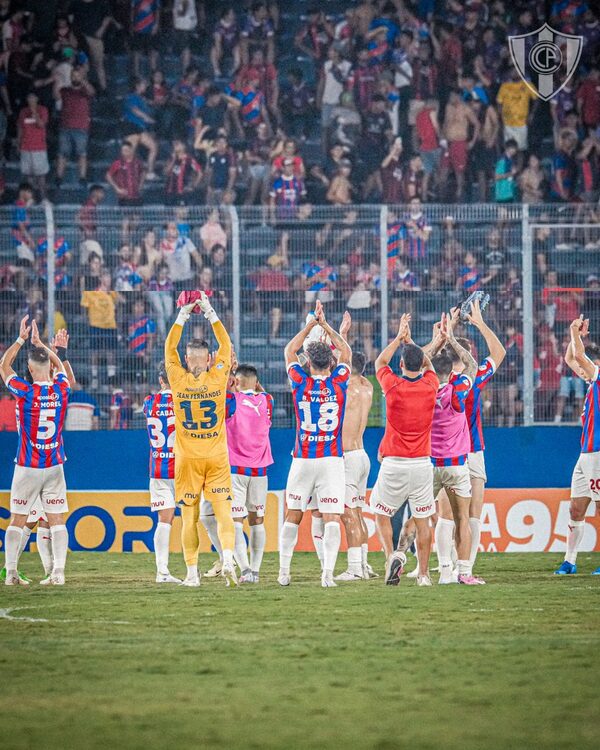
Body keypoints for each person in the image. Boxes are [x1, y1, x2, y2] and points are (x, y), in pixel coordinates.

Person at [164, 291, 237, 587]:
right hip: (216, 456)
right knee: (223, 513)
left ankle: (192, 574)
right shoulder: (218, 376)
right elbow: (227, 345)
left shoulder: (176, 377)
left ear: (185, 358)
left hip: (187, 459)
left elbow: (169, 346)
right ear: (209, 359)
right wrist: (209, 311)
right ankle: (229, 557)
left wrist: (183, 314)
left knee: (189, 518)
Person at [279, 300, 351, 588]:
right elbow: (345, 351)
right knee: (332, 517)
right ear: (331, 363)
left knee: (293, 515)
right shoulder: (340, 381)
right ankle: (328, 576)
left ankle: (284, 572)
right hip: (332, 460)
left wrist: (311, 325)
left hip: (303, 459)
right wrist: (326, 326)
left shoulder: (299, 381)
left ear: (307, 362)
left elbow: (288, 351)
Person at [437, 300, 506, 579]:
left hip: (445, 451)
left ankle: (443, 569)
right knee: (472, 516)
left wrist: (449, 328)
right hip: (473, 451)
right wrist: (478, 322)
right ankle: (464, 569)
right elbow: (499, 352)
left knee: (444, 516)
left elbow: (426, 356)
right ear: (468, 354)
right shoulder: (474, 376)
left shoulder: (436, 379)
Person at [0, 317, 70, 586]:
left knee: (17, 520)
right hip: (54, 465)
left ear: (29, 367)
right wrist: (43, 346)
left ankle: (12, 572)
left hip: (28, 466)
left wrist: (21, 340)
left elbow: (4, 366)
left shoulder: (24, 391)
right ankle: (59, 573)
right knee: (57, 521)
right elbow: (61, 366)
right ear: (49, 367)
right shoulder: (62, 390)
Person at [371, 313, 438, 587]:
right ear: (421, 365)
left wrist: (399, 337)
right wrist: (416, 348)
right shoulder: (431, 385)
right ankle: (424, 575)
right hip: (422, 464)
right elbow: (430, 366)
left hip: (394, 463)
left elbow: (379, 362)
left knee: (381, 513)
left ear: (401, 364)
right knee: (423, 522)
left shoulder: (392, 385)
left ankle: (391, 557)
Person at [428, 310, 482, 585]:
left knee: (422, 516)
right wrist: (451, 339)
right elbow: (472, 364)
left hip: (430, 464)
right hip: (457, 464)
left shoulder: (422, 389)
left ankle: (431, 571)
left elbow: (418, 362)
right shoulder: (457, 389)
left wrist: (437, 340)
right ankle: (464, 572)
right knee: (463, 517)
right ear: (450, 372)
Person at [555, 317, 600, 576]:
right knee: (576, 508)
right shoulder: (593, 382)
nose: (581, 373)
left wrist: (574, 332)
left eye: (588, 368)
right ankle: (570, 561)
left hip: (597, 452)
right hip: (586, 454)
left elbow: (579, 358)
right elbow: (571, 359)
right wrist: (575, 338)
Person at [334, 312, 375, 581]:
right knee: (358, 513)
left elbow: (342, 360)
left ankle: (354, 569)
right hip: (362, 456)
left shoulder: (346, 387)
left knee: (348, 515)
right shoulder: (368, 386)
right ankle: (363, 564)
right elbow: (346, 360)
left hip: (348, 457)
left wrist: (342, 334)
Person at [225, 363, 274, 583]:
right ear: (255, 382)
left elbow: (221, 388)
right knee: (257, 520)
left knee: (236, 521)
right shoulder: (267, 401)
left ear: (236, 382)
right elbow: (260, 391)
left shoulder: (230, 401)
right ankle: (255, 570)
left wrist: (228, 373)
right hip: (260, 471)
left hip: (236, 469)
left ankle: (244, 570)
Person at [142, 364, 182, 584]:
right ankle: (220, 562)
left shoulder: (149, 403)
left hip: (158, 468)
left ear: (160, 380)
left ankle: (162, 571)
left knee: (164, 521)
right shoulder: (183, 401)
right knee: (201, 516)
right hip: (183, 469)